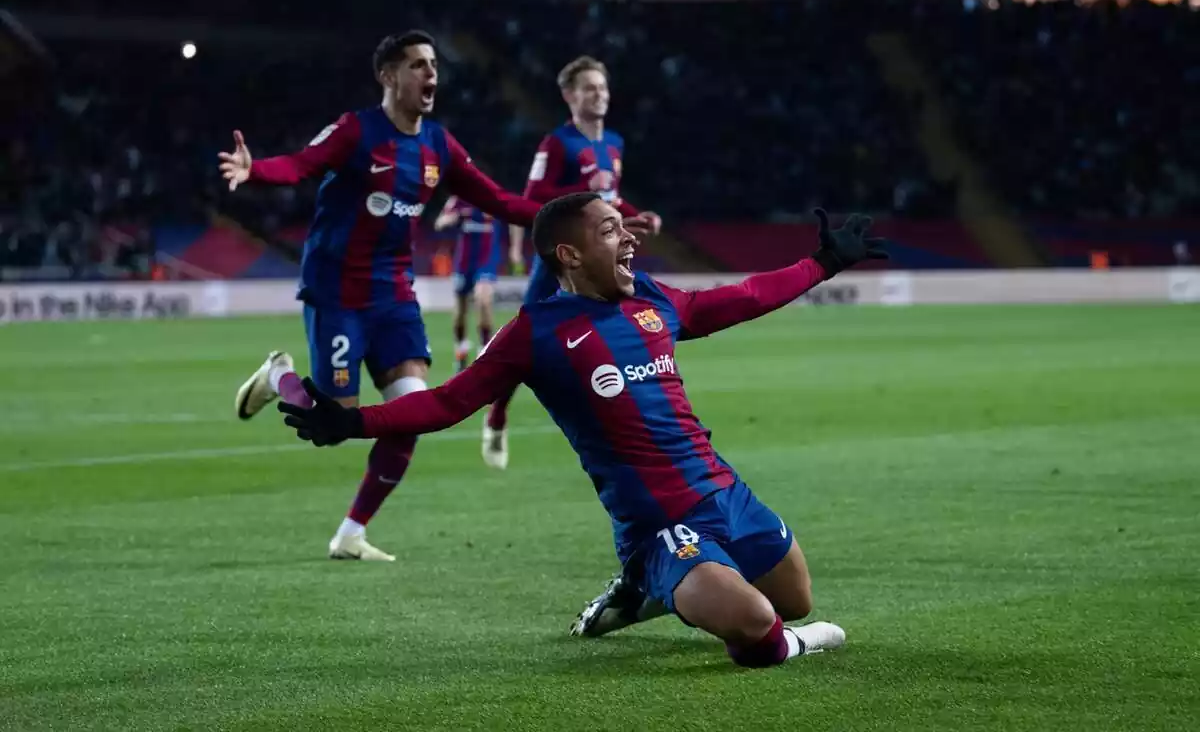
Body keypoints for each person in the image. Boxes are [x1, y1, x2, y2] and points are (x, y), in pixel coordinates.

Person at [276, 192, 888, 667]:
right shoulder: (534, 333)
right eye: (610, 231)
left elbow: (740, 297)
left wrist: (823, 263)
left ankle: (649, 596)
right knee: (758, 625)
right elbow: (447, 402)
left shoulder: (649, 297)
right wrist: (353, 421)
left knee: (795, 598)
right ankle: (773, 634)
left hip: (726, 493)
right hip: (658, 525)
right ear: (568, 255)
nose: (629, 240)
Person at [219, 30, 543, 562]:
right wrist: (256, 170)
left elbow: (500, 200)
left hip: (393, 296)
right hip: (337, 292)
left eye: (433, 64)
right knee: (332, 425)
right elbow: (302, 164)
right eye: (417, 65)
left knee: (411, 415)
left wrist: (572, 213)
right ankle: (279, 375)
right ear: (388, 76)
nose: (430, 74)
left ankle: (350, 532)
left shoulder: (439, 145)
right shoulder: (357, 131)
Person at [484, 56, 662, 469]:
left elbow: (610, 197)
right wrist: (584, 193)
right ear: (569, 96)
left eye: (602, 87)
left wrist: (638, 212)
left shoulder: (614, 142)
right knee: (524, 336)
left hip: (601, 260)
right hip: (561, 260)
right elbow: (532, 199)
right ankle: (497, 414)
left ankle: (627, 423)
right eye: (589, 88)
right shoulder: (557, 144)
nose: (598, 94)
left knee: (624, 330)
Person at [432, 196, 513, 374]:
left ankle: (484, 352)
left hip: (487, 261)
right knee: (460, 311)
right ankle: (461, 350)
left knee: (483, 300)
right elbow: (439, 223)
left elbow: (514, 217)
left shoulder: (493, 197)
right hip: (463, 263)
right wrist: (450, 219)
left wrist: (514, 249)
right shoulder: (458, 201)